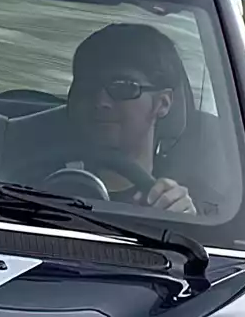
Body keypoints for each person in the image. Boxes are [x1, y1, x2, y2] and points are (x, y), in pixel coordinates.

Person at [58, 22, 200, 216]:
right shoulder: (29, 180)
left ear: (162, 103)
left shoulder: (196, 206)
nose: (101, 102)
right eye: (88, 86)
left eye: (123, 87)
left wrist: (183, 223)